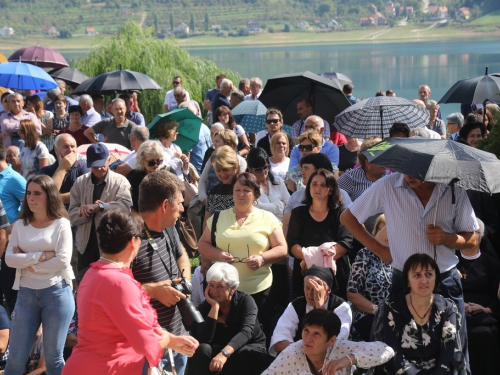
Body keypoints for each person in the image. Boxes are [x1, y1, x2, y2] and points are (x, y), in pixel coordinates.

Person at [340, 172, 479, 370]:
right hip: (403, 283)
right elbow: (348, 217)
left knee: (455, 355)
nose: (409, 174)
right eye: (405, 168)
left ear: (432, 166)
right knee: (399, 356)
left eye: (415, 170)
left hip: (445, 281)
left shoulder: (453, 188)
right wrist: (380, 250)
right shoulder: (388, 185)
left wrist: (447, 238)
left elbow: (473, 239)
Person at [62, 208, 198, 375]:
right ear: (133, 242)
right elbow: (145, 342)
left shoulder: (92, 274)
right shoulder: (119, 282)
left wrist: (172, 341)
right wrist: (169, 339)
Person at [198, 172, 287, 335]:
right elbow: (202, 244)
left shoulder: (268, 218)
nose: (240, 194)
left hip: (258, 290)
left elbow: (282, 248)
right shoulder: (218, 217)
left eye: (246, 190)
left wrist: (262, 258)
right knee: (225, 334)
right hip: (223, 293)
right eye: (237, 190)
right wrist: (218, 255)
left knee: (256, 333)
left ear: (255, 194)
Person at [5, 175, 75, 375]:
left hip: (57, 294)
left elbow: (62, 261)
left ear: (49, 196)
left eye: (37, 193)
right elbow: (10, 259)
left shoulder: (61, 224)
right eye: (28, 193)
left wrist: (27, 262)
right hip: (26, 294)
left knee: (54, 360)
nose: (31, 198)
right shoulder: (20, 225)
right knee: (15, 360)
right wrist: (41, 256)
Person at [132, 170, 193, 375]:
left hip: (177, 339)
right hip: (147, 348)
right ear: (165, 205)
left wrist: (184, 282)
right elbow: (113, 292)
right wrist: (155, 291)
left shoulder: (169, 226)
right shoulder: (129, 240)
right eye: (180, 203)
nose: (182, 209)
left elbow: (182, 255)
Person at [372, 254, 463, 374]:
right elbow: (394, 352)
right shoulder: (391, 309)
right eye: (417, 275)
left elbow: (447, 353)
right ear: (408, 281)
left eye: (429, 274)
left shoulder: (448, 308)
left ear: (436, 278)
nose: (424, 280)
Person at [189, 262, 273, 375]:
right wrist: (214, 307)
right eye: (211, 285)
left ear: (232, 288)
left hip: (248, 348)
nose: (214, 291)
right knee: (202, 349)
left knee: (240, 354)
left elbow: (246, 332)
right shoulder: (207, 306)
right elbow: (203, 339)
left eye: (220, 286)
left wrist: (224, 353)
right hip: (219, 347)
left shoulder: (246, 302)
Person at [263, 309, 394, 375]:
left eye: (317, 334)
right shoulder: (291, 354)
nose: (308, 339)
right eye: (306, 331)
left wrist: (349, 359)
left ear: (331, 340)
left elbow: (386, 350)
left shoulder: (341, 348)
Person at [288, 169, 353, 300]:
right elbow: (292, 244)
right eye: (314, 184)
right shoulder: (298, 213)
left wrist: (312, 260)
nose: (317, 188)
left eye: (323, 185)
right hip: (304, 275)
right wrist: (310, 259)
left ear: (330, 190)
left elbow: (345, 243)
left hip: (335, 277)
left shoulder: (341, 213)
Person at [69, 143, 132, 271]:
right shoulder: (80, 182)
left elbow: (125, 207)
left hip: (111, 244)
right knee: (85, 283)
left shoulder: (120, 181)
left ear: (109, 160)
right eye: (94, 166)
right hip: (85, 245)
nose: (99, 169)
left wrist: (101, 207)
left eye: (102, 165)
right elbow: (72, 214)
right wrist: (84, 212)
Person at [269, 265, 352, 356]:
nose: (309, 294)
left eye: (315, 290)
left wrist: (319, 306)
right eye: (307, 288)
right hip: (299, 357)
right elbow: (279, 342)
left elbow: (336, 344)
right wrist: (304, 351)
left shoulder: (341, 307)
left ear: (328, 291)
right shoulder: (297, 305)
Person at [456, 219, 500, 375]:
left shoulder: (492, 263)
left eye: (473, 232)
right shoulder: (450, 261)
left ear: (480, 236)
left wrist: (487, 309)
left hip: (484, 315)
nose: (468, 236)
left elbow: (497, 295)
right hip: (456, 313)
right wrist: (461, 307)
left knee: (486, 334)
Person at [346, 215, 393, 341]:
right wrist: (377, 310)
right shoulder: (365, 254)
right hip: (369, 313)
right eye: (381, 230)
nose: (386, 234)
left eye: (389, 229)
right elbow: (352, 292)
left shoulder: (402, 257)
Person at [283, 153, 351, 237]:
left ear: (320, 170)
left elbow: (350, 222)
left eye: (306, 168)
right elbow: (286, 225)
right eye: (302, 168)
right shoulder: (295, 196)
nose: (302, 173)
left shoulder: (341, 194)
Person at [198, 128, 247, 205]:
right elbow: (202, 180)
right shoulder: (212, 159)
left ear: (228, 143)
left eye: (217, 141)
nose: (214, 144)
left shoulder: (241, 161)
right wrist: (205, 199)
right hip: (210, 202)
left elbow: (240, 184)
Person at [39, 134, 89, 206]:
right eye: (66, 147)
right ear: (56, 150)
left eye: (73, 146)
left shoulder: (84, 167)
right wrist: (62, 169)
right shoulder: (46, 171)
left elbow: (83, 194)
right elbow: (44, 194)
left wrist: (52, 198)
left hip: (76, 214)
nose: (70, 150)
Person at [337, 137, 387, 202]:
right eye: (381, 159)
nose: (385, 161)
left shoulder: (389, 177)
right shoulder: (351, 177)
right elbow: (333, 195)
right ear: (367, 162)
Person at [247, 147, 290, 221]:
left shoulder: (278, 181)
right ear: (249, 168)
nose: (263, 172)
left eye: (266, 167)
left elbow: (289, 204)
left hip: (283, 226)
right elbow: (255, 209)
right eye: (258, 170)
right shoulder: (247, 187)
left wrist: (265, 207)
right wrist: (280, 205)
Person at [126, 140, 166, 210]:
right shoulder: (134, 176)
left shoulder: (167, 174)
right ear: (142, 160)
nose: (156, 165)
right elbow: (128, 201)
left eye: (159, 161)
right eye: (151, 162)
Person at [205, 145, 239, 218]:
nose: (222, 174)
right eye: (218, 170)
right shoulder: (213, 191)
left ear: (235, 167)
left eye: (225, 169)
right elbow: (206, 222)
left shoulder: (244, 189)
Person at [179, 101, 211, 175]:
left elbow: (186, 156)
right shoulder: (204, 127)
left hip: (195, 174)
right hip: (207, 170)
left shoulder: (187, 131)